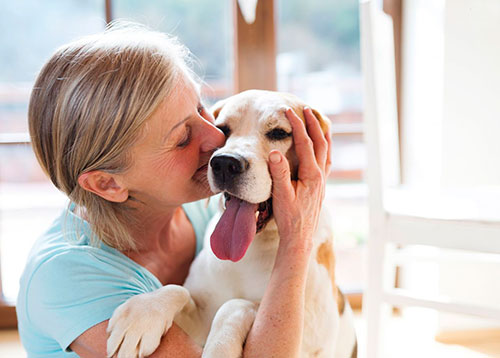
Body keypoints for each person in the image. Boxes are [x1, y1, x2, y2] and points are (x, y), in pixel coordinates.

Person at [16, 22, 332, 358]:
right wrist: (297, 240)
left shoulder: (205, 209)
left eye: (201, 110)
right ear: (108, 183)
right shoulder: (67, 280)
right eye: (182, 138)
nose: (216, 141)